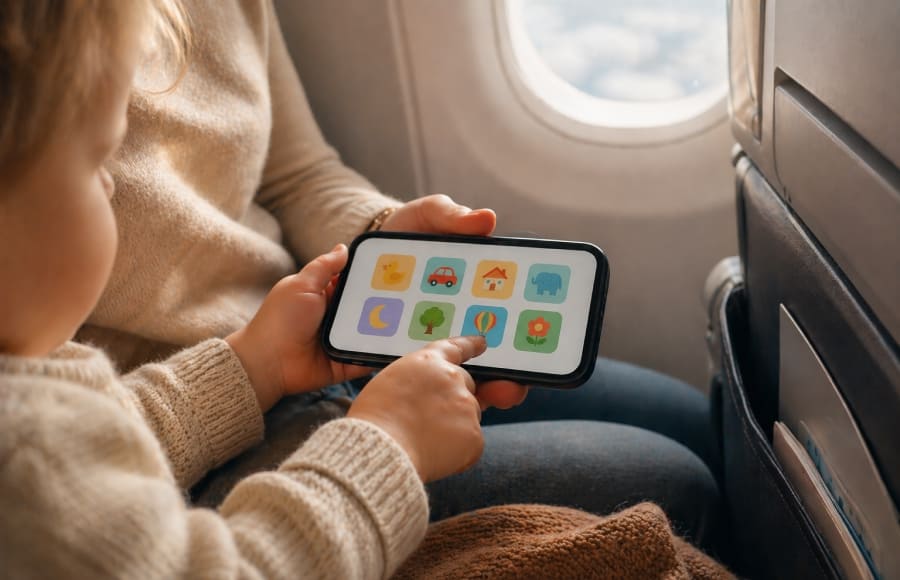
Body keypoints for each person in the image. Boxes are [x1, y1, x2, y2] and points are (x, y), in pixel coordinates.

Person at [78, 0, 720, 546]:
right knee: (674, 483)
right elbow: (67, 457)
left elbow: (297, 174)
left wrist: (381, 240)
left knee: (693, 417)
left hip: (314, 343)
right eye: (91, 171)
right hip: (197, 445)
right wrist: (280, 383)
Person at [0, 1, 490, 576]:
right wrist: (392, 441)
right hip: (250, 466)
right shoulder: (24, 459)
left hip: (282, 357)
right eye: (97, 160)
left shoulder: (36, 407)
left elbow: (101, 432)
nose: (109, 185)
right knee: (621, 462)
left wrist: (254, 363)